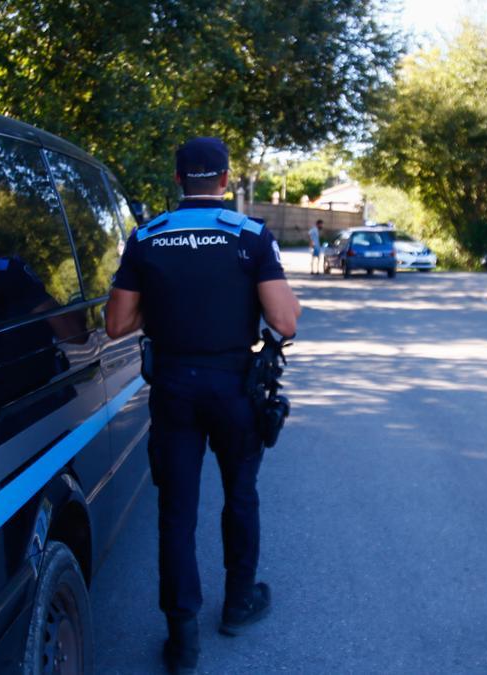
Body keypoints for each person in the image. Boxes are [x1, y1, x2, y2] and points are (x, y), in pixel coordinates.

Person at [105, 137, 302, 674]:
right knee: (240, 496)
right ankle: (238, 604)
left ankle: (182, 638)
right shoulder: (252, 236)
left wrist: (166, 308)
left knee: (176, 512)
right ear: (226, 180)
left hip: (173, 387)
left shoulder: (145, 238)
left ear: (177, 180)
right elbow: (285, 323)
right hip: (234, 386)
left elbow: (117, 324)